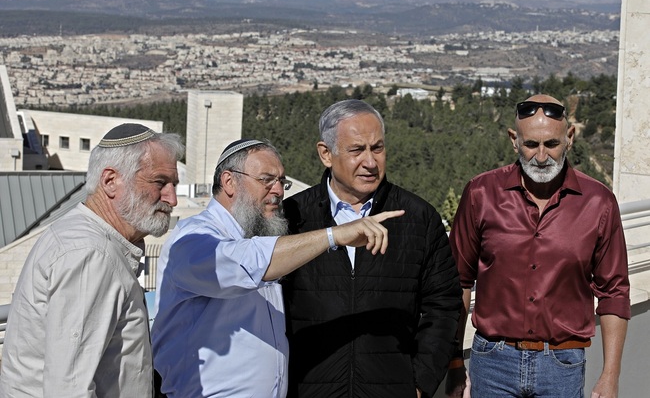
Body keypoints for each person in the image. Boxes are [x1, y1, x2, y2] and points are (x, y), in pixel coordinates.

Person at [151, 138, 403, 398]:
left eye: (282, 182)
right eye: (266, 180)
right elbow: (239, 263)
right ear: (229, 182)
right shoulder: (191, 238)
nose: (279, 191)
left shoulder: (256, 236)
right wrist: (334, 236)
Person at [445, 94, 630, 398]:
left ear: (569, 138)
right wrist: (453, 362)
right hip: (492, 363)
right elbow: (457, 282)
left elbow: (614, 292)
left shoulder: (599, 202)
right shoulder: (481, 193)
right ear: (514, 140)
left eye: (551, 144)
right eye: (531, 144)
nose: (541, 157)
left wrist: (610, 376)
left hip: (562, 367)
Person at [281, 99, 463, 398]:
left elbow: (443, 304)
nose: (370, 162)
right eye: (356, 150)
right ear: (325, 154)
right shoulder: (293, 218)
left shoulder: (417, 218)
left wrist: (419, 383)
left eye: (377, 148)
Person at [1, 123, 184, 398]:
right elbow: (69, 387)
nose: (172, 198)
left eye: (173, 185)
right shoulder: (91, 254)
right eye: (160, 182)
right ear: (110, 181)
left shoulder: (90, 241)